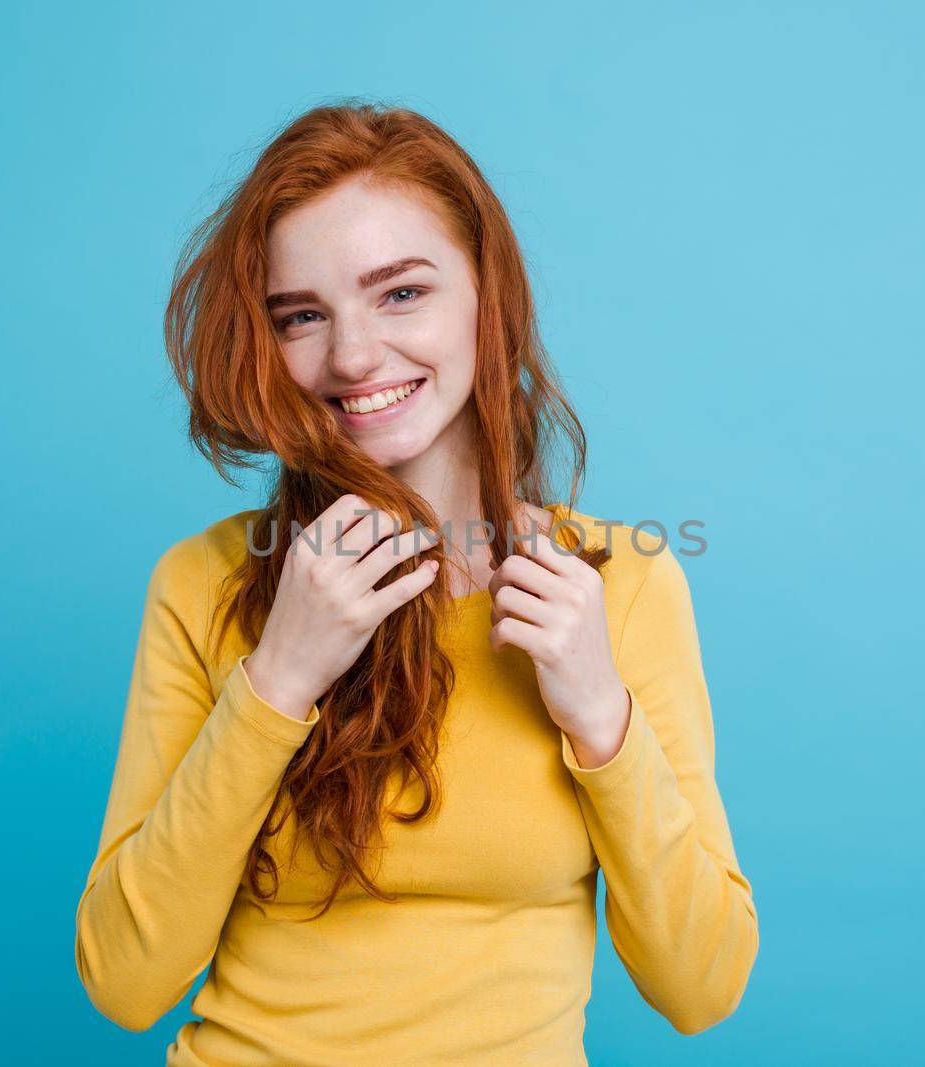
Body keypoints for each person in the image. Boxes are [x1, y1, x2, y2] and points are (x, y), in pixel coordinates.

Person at [74, 100, 759, 1066]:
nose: (351, 356)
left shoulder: (623, 584)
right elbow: (124, 978)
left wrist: (601, 716)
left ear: (490, 297)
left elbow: (701, 987)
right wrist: (277, 681)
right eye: (303, 316)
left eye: (400, 293)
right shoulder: (205, 582)